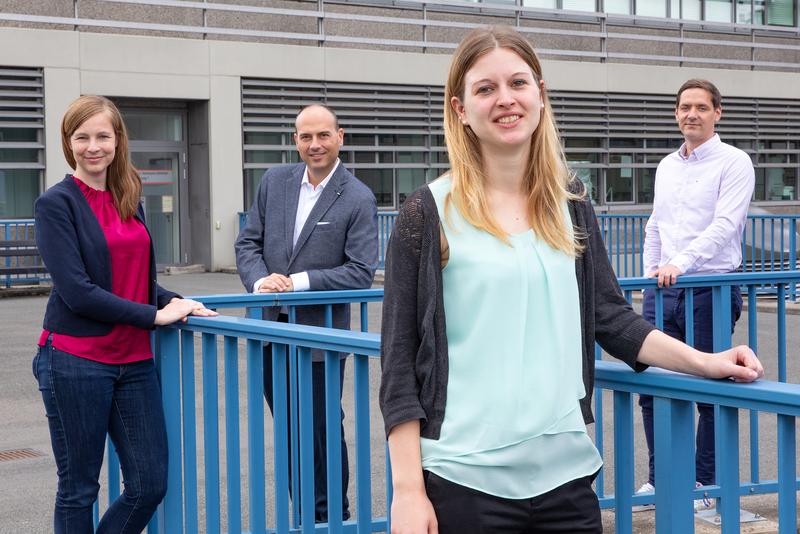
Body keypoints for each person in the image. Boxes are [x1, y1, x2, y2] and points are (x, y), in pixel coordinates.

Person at [378, 27, 763, 534]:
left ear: (540, 94)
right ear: (460, 109)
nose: (505, 99)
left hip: (568, 481)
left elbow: (610, 316)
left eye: (518, 82)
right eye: (485, 88)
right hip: (463, 481)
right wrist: (407, 490)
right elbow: (399, 360)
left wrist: (705, 362)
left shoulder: (571, 203)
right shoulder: (427, 212)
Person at [32, 95, 217, 534]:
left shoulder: (128, 196)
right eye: (82, 137)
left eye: (103, 136)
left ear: (118, 140)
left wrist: (176, 301)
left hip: (132, 362)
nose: (93, 146)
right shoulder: (56, 204)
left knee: (149, 482)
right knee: (78, 488)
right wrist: (154, 318)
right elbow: (78, 292)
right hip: (75, 361)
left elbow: (134, 281)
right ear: (68, 142)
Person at [235, 104, 378, 522]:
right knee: (291, 431)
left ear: (340, 136)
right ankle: (306, 518)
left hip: (320, 338)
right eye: (305, 136)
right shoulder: (274, 181)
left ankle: (331, 517)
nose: (314, 144)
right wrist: (262, 282)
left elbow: (359, 271)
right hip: (269, 332)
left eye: (323, 135)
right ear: (295, 139)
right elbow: (248, 244)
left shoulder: (357, 197)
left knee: (319, 430)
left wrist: (295, 282)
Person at [636, 79, 755, 511]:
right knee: (652, 387)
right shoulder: (667, 165)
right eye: (685, 107)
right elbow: (656, 223)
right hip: (663, 289)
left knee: (710, 385)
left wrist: (678, 265)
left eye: (701, 107)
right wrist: (652, 270)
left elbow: (725, 225)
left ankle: (706, 484)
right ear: (676, 113)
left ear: (717, 113)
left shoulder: (734, 162)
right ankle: (661, 480)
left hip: (710, 287)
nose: (692, 114)